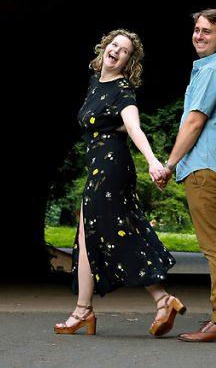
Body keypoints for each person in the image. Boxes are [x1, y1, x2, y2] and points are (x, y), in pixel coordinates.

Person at [54, 29, 184, 337]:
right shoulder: (95, 82)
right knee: (87, 237)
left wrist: (153, 161)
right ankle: (82, 310)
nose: (116, 51)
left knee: (115, 232)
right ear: (104, 47)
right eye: (114, 45)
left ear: (128, 62)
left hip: (113, 169)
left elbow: (133, 126)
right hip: (98, 168)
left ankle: (162, 298)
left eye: (124, 50)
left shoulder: (123, 90)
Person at [152, 9, 216, 342]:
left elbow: (194, 122)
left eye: (207, 31)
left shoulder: (212, 72)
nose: (199, 35)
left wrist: (170, 164)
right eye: (196, 29)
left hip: (204, 166)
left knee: (214, 247)